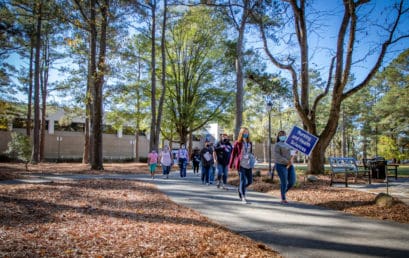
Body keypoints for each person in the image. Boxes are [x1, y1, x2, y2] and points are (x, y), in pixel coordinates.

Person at [229, 127, 254, 204]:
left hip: (248, 164)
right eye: (244, 132)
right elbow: (233, 154)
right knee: (243, 180)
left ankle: (240, 189)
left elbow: (250, 152)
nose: (246, 134)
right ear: (241, 133)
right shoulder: (237, 143)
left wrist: (252, 158)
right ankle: (243, 197)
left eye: (247, 132)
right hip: (241, 164)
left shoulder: (250, 143)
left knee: (250, 181)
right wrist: (230, 165)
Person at [272, 130, 296, 204]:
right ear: (279, 137)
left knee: (292, 181)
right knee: (284, 182)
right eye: (281, 135)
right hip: (280, 165)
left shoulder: (289, 144)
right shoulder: (277, 145)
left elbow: (292, 154)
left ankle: (283, 192)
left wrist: (295, 152)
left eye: (284, 135)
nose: (283, 136)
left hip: (290, 165)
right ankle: (283, 198)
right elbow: (277, 157)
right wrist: (287, 161)